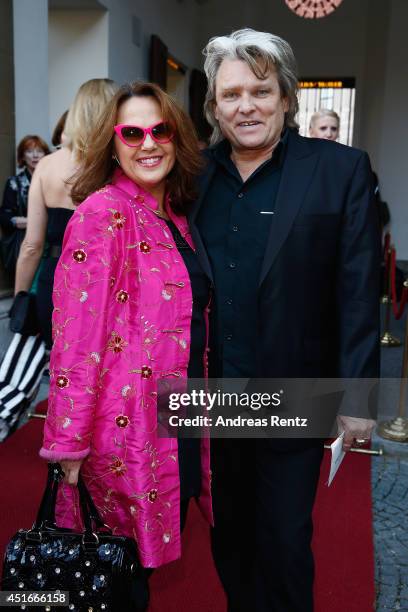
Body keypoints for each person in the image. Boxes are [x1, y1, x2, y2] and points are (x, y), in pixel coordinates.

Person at [187, 28, 380, 612]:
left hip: (295, 387)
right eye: (231, 94)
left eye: (261, 91)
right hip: (210, 394)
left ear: (287, 98)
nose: (246, 106)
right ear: (214, 106)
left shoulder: (339, 169)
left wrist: (359, 396)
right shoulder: (191, 176)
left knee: (286, 540)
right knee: (228, 538)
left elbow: (357, 287)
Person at [39, 81, 212, 606]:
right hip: (124, 433)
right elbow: (74, 338)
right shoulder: (101, 214)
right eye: (131, 132)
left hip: (178, 421)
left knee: (137, 575)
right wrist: (66, 444)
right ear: (112, 144)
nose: (148, 143)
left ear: (177, 138)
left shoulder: (176, 217)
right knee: (114, 578)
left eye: (160, 130)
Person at [14, 79, 118, 349]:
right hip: (107, 285)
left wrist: (21, 297)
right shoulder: (119, 167)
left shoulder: (47, 165)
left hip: (55, 282)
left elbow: (32, 246)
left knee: (63, 372)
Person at [0, 135, 50, 276]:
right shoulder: (14, 183)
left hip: (50, 243)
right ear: (22, 156)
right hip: (25, 241)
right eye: (29, 151)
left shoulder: (53, 181)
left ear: (46, 155)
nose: (34, 155)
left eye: (39, 151)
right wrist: (24, 222)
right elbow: (4, 215)